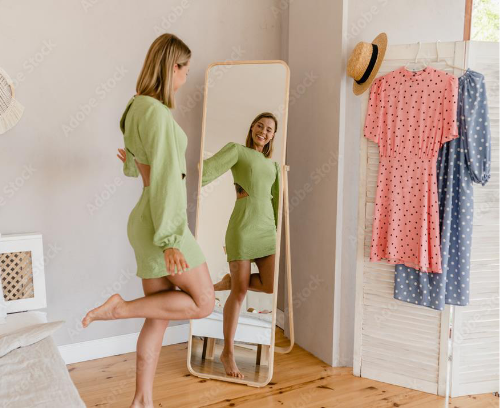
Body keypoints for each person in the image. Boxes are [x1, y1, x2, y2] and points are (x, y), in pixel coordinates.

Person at [82, 33, 215, 408]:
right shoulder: (157, 112)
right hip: (161, 221)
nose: (186, 77)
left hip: (145, 216)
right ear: (173, 67)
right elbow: (168, 178)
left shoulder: (134, 106)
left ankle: (142, 401)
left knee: (157, 315)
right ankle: (119, 308)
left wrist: (133, 159)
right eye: (185, 69)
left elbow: (136, 167)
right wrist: (171, 239)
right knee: (204, 302)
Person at [201, 113, 281, 378]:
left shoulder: (274, 166)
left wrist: (279, 233)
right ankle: (228, 352)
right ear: (252, 127)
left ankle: (231, 281)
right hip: (243, 229)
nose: (263, 131)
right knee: (239, 293)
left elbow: (276, 203)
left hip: (267, 231)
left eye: (269, 129)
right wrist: (177, 171)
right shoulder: (238, 151)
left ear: (273, 136)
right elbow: (208, 170)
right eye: (260, 126)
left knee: (271, 284)